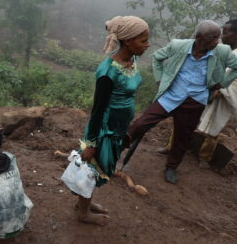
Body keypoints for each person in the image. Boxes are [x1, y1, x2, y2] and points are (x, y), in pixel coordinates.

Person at [127, 20, 237, 184]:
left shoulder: (222, 51)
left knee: (182, 138)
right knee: (141, 124)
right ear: (199, 37)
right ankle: (116, 148)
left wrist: (224, 82)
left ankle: (171, 167)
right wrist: (160, 80)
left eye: (218, 37)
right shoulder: (178, 45)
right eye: (213, 38)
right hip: (170, 96)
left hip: (195, 101)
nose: (217, 41)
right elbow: (157, 57)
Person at [78, 16, 150, 225]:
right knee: (91, 171)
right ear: (128, 41)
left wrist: (125, 130)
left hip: (117, 129)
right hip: (103, 131)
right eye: (143, 41)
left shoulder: (131, 60)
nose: (148, 45)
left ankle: (84, 203)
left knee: (100, 170)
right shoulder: (108, 73)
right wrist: (91, 143)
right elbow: (97, 111)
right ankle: (83, 213)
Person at [159, 19, 237, 169]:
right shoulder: (216, 47)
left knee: (215, 126)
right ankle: (171, 147)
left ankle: (204, 157)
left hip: (223, 97)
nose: (222, 37)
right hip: (202, 92)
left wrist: (221, 87)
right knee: (182, 119)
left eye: (226, 33)